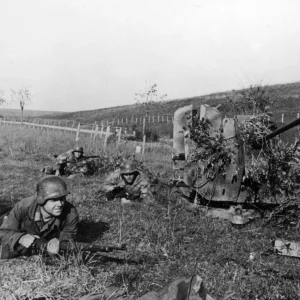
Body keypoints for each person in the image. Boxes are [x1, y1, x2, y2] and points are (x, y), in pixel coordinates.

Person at [0, 176, 79, 259]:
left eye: (62, 198)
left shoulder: (70, 213)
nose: (60, 204)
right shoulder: (23, 206)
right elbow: (3, 232)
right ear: (42, 200)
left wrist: (60, 242)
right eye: (54, 200)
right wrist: (20, 237)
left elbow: (69, 236)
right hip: (7, 224)